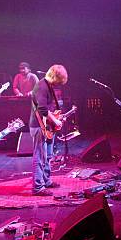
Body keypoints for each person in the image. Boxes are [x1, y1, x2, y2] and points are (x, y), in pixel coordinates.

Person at [30, 64, 68, 196]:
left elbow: (49, 108)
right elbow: (42, 109)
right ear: (55, 77)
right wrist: (55, 120)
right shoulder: (42, 86)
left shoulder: (48, 86)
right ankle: (37, 187)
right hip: (39, 126)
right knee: (40, 157)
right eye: (59, 81)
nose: (59, 85)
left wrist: (58, 117)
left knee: (48, 156)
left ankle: (46, 181)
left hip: (47, 126)